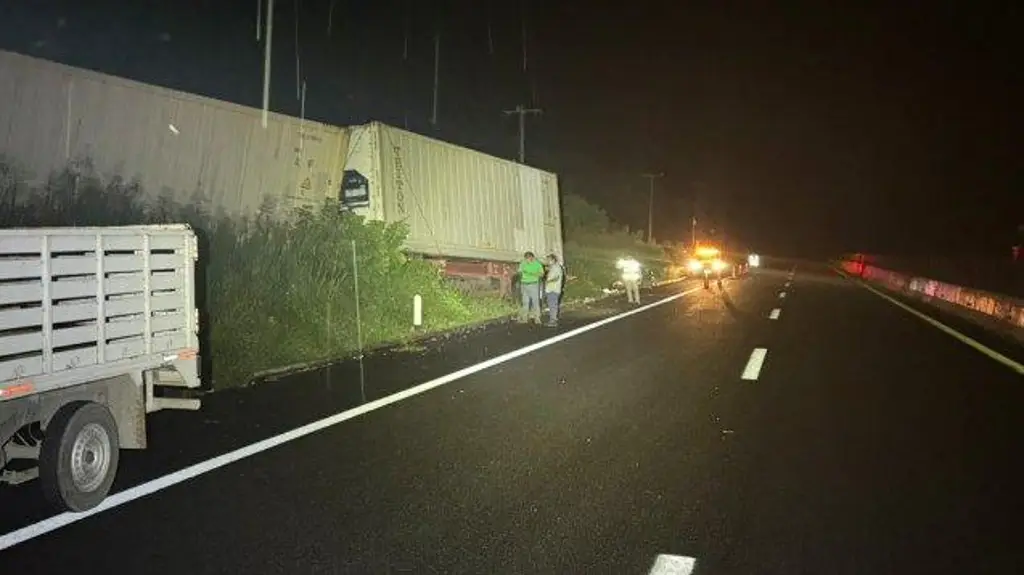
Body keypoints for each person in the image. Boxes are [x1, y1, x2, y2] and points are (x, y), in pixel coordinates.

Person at [517, 251, 544, 324]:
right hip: (524, 285)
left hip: (533, 285)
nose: (527, 260)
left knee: (535, 302)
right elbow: (519, 272)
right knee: (525, 302)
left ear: (532, 257)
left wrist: (531, 273)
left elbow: (541, 274)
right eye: (526, 258)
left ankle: (537, 318)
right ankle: (524, 319)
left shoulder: (537, 264)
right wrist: (521, 274)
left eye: (528, 258)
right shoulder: (523, 263)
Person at [543, 253, 565, 327]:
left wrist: (548, 281)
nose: (547, 261)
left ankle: (553, 321)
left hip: (553, 290)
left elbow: (556, 277)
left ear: (552, 260)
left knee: (552, 305)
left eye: (548, 260)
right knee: (552, 305)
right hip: (551, 289)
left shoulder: (556, 267)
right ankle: (553, 319)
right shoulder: (553, 267)